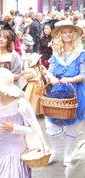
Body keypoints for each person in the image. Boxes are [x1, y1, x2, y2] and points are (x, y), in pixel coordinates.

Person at [0, 68, 49, 178]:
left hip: (16, 154)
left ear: (1, 88)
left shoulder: (21, 104)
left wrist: (14, 128)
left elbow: (34, 129)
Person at [45, 20, 85, 166]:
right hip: (58, 91)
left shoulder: (81, 53)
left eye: (70, 32)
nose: (67, 35)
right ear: (60, 35)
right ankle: (54, 151)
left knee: (73, 123)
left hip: (76, 91)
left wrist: (68, 79)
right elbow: (49, 72)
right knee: (51, 122)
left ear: (74, 35)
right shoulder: (56, 53)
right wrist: (52, 78)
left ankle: (68, 154)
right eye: (64, 32)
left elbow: (83, 75)